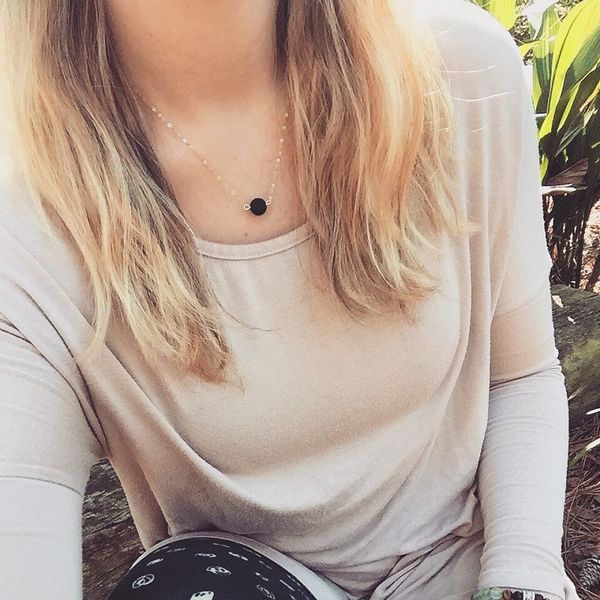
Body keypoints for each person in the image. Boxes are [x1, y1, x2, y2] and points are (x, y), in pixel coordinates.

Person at [0, 0, 583, 599]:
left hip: (468, 572)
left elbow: (518, 375)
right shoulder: (25, 223)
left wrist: (522, 575)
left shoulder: (456, 69)